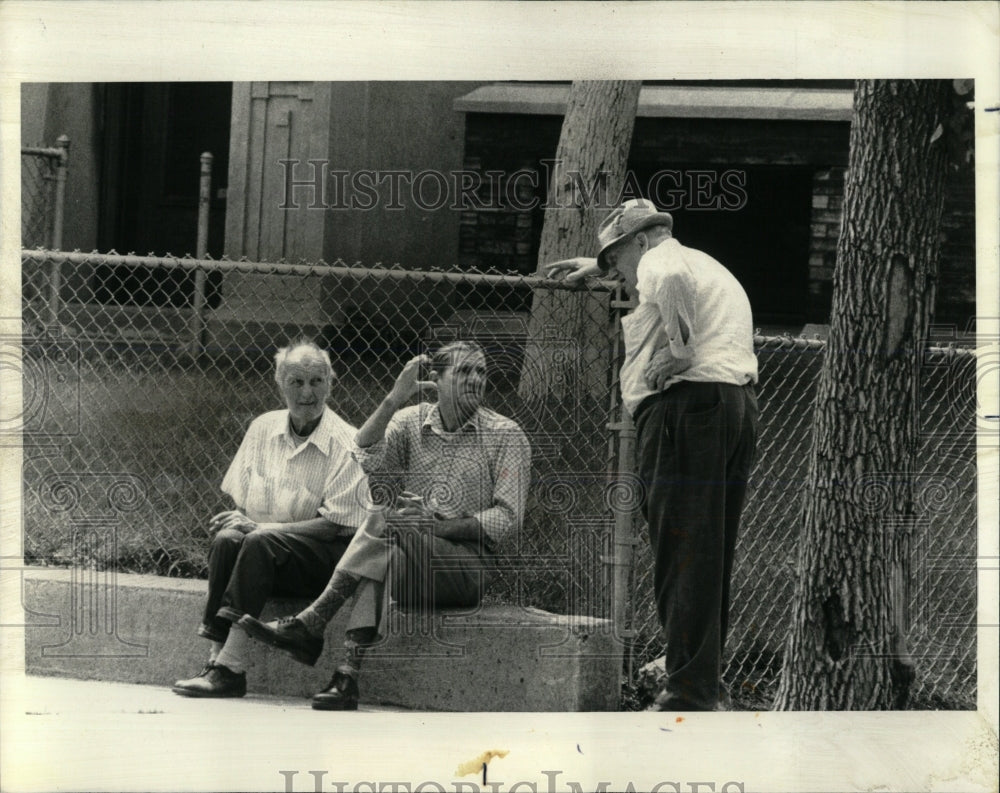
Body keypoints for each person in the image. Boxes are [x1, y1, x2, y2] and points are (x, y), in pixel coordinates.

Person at [547, 199, 759, 712]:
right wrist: (595, 266)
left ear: (639, 242)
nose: (618, 277)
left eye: (615, 262)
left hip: (684, 413)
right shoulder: (701, 261)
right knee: (708, 554)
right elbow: (665, 281)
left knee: (681, 551)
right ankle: (701, 681)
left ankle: (685, 694)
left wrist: (677, 351)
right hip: (732, 405)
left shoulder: (663, 262)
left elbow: (666, 283)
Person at [239, 341, 532, 710]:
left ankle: (314, 621)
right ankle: (346, 677)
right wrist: (394, 399)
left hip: (466, 567)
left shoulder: (506, 435)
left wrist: (437, 527)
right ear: (435, 381)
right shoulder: (411, 420)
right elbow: (365, 454)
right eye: (463, 371)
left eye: (481, 372)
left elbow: (508, 518)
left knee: (384, 521)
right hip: (404, 552)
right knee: (386, 543)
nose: (476, 379)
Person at [171, 340, 369, 698]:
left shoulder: (347, 442)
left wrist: (262, 528)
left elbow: (335, 526)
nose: (307, 393)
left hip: (321, 560)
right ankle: (217, 662)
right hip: (264, 556)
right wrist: (243, 521)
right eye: (296, 382)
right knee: (227, 538)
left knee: (258, 539)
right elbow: (246, 510)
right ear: (279, 385)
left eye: (317, 381)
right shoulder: (263, 428)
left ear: (330, 383)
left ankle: (230, 665)